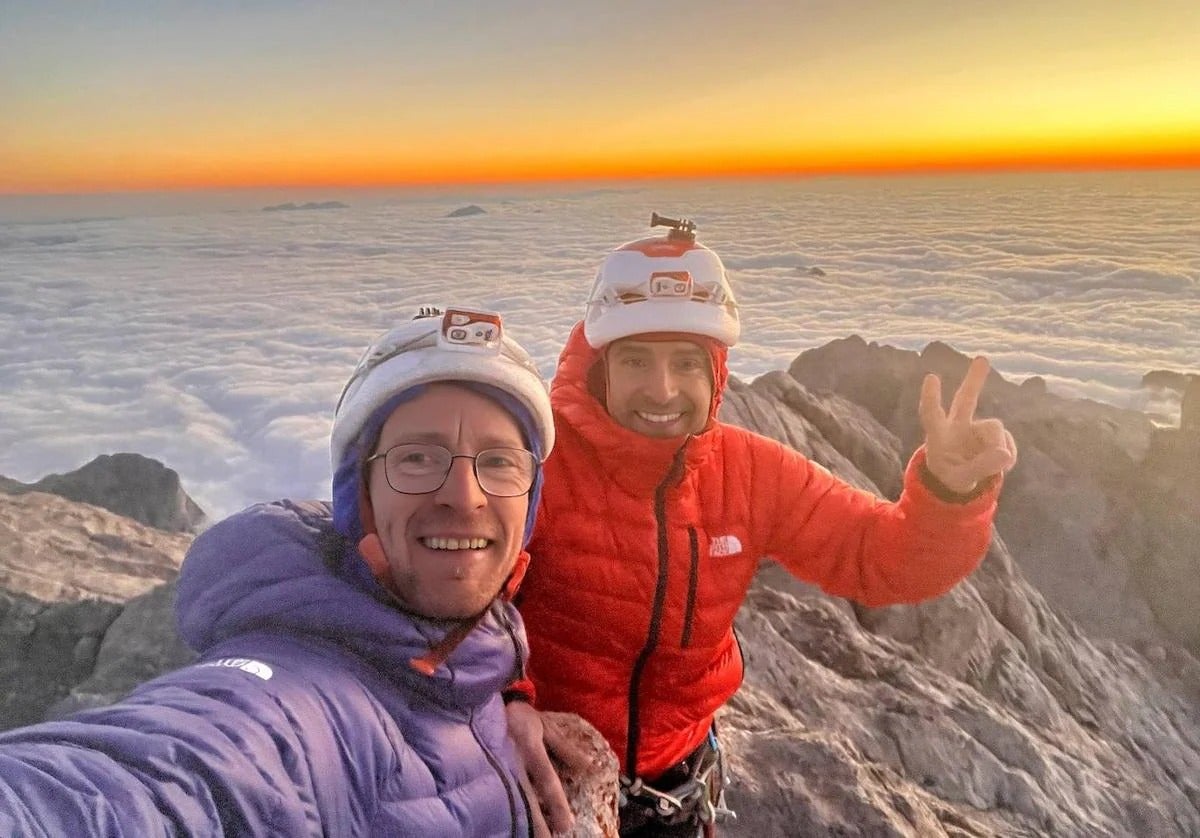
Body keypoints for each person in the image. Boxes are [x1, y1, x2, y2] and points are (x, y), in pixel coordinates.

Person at [506, 214, 1019, 835]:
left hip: (680, 789)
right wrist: (508, 703)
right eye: (636, 360)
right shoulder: (539, 464)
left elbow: (878, 556)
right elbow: (451, 598)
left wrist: (947, 492)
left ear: (716, 373)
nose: (662, 390)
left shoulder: (747, 472)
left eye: (686, 364)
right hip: (541, 784)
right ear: (601, 366)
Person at [0, 306, 557, 837]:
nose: (465, 497)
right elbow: (175, 775)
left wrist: (513, 703)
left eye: (501, 461)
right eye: (416, 458)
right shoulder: (303, 695)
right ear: (357, 495)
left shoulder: (468, 659)